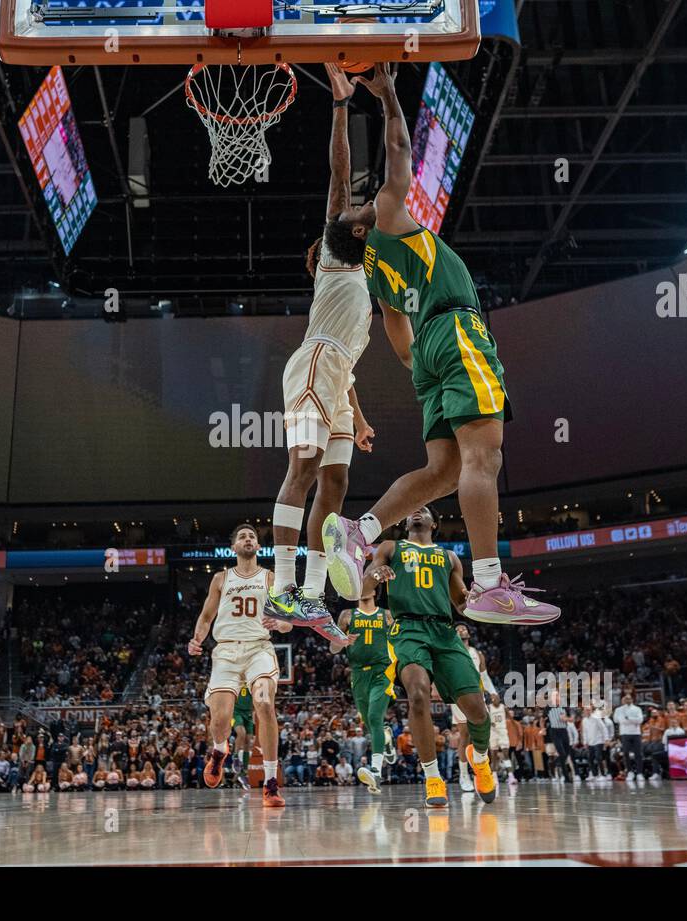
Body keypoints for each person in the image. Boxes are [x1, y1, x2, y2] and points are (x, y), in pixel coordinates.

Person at [320, 62, 560, 629]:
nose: (364, 199)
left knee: (444, 472)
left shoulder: (375, 271)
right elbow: (400, 149)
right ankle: (488, 584)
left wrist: (430, 369)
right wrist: (390, 97)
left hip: (430, 349)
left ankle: (361, 532)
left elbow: (397, 339)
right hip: (455, 331)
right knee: (485, 457)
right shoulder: (383, 217)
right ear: (359, 229)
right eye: (357, 209)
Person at [264, 63, 375, 640]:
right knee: (303, 468)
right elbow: (341, 174)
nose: (359, 212)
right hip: (313, 363)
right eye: (353, 215)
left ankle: (310, 594)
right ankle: (281, 589)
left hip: (338, 379)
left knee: (335, 484)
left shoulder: (364, 274)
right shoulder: (335, 258)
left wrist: (356, 416)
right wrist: (340, 105)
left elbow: (351, 372)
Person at [363, 504, 496, 808]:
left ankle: (480, 759)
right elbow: (365, 584)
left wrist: (475, 599)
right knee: (419, 695)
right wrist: (375, 573)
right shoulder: (390, 546)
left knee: (478, 710)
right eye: (411, 509)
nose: (416, 512)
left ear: (435, 523)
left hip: (444, 632)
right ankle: (433, 778)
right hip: (408, 629)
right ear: (406, 521)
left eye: (424, 509)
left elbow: (461, 603)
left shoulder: (448, 557)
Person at [189, 524, 300, 808]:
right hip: (225, 650)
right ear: (233, 547)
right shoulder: (220, 579)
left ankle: (271, 783)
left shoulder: (271, 577)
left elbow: (289, 621)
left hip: (258, 649)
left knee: (264, 704)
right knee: (220, 720)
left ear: (258, 547)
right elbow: (206, 616)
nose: (248, 539)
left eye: (252, 536)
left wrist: (281, 623)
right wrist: (197, 639)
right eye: (242, 536)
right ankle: (219, 750)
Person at [333, 579, 398, 794]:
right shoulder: (347, 615)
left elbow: (400, 639)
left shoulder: (387, 614)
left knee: (374, 716)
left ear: (375, 590)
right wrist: (341, 640)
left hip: (382, 671)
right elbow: (333, 648)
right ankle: (386, 740)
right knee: (370, 721)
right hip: (358, 673)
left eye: (367, 584)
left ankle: (376, 772)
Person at [450, 624, 498, 792]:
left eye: (464, 628)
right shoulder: (451, 651)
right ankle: (464, 775)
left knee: (482, 733)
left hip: (477, 695)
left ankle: (481, 771)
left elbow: (484, 676)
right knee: (465, 735)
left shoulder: (478, 654)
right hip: (458, 696)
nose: (462, 630)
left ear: (469, 633)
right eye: (458, 629)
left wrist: (492, 692)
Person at [612, 692, 645, 781]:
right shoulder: (618, 709)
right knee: (625, 753)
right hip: (624, 733)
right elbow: (616, 720)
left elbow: (640, 720)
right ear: (623, 700)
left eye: (629, 698)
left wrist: (628, 719)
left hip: (636, 733)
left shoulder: (637, 709)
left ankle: (639, 773)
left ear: (632, 699)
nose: (627, 700)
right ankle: (629, 772)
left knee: (638, 753)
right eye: (626, 699)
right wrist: (632, 720)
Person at [230, 682, 255, 790]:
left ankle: (244, 772)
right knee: (241, 733)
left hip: (248, 714)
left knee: (248, 742)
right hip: (235, 712)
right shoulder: (235, 680)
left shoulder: (253, 683)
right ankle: (235, 757)